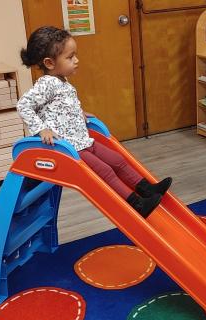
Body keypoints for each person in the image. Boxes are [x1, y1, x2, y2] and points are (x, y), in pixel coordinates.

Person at [17, 26, 172, 218]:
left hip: (82, 140)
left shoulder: (60, 80)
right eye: (70, 57)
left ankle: (148, 189)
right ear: (49, 63)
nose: (76, 60)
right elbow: (23, 105)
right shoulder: (47, 83)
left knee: (117, 160)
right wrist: (41, 130)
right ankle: (137, 203)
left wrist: (77, 113)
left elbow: (57, 107)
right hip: (71, 148)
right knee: (106, 171)